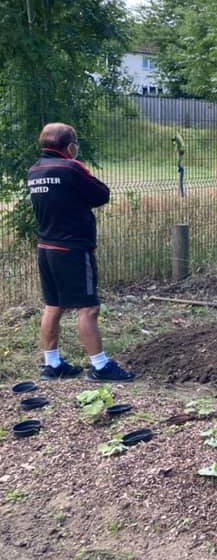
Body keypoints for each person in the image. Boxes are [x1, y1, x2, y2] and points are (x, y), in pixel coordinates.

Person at [28, 123, 135, 381]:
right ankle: (100, 367)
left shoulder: (34, 170)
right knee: (88, 308)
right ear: (70, 147)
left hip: (46, 247)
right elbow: (101, 195)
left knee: (53, 305)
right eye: (75, 144)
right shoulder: (71, 168)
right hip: (73, 248)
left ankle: (52, 364)